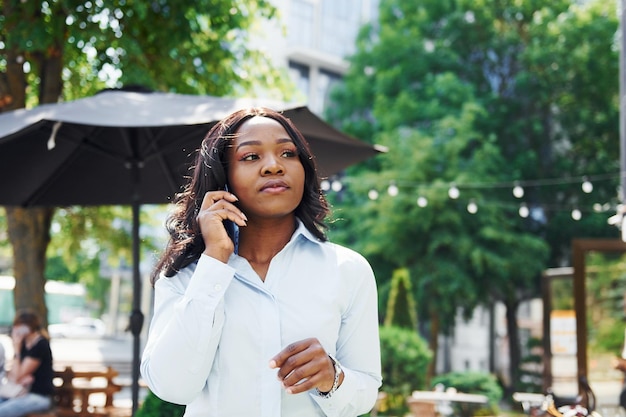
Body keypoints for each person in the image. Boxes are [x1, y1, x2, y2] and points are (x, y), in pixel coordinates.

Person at [140, 107, 382, 416]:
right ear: (222, 179)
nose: (273, 166)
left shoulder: (348, 271)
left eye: (287, 153)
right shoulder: (186, 275)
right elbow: (172, 387)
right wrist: (214, 260)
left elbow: (365, 392)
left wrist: (332, 378)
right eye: (251, 157)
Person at [0, 309, 54, 417]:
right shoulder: (23, 344)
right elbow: (13, 377)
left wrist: (16, 350)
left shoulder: (40, 345)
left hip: (39, 397)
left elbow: (18, 376)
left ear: (29, 327)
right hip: (19, 393)